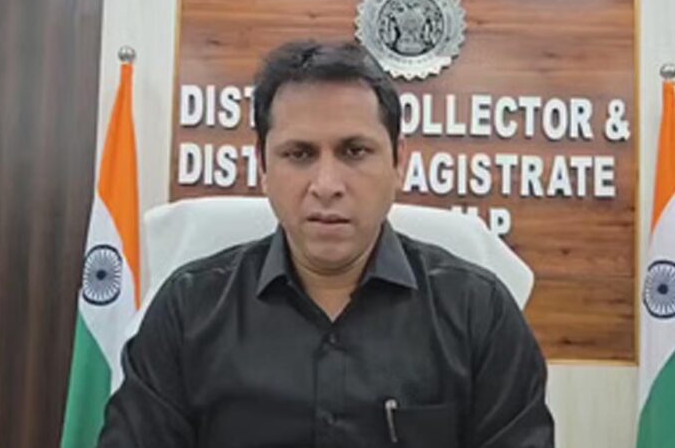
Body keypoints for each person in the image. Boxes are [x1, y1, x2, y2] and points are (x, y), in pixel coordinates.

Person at [97, 40, 554, 448]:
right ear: (263, 167)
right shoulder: (188, 310)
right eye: (299, 154)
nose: (327, 184)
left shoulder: (479, 312)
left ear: (398, 162)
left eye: (355, 151)